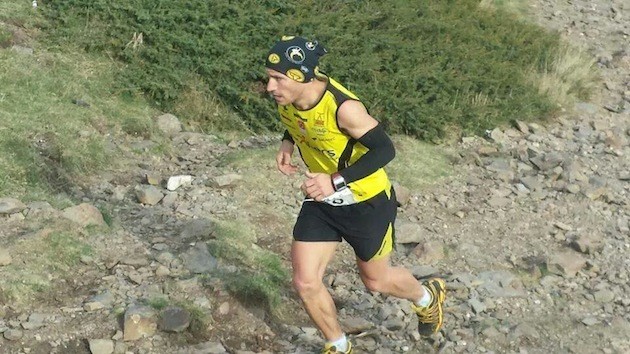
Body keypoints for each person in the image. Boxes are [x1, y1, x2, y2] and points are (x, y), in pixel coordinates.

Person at [265, 36, 446, 354]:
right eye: (269, 77)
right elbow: (300, 120)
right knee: (305, 281)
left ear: (301, 77)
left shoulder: (344, 108)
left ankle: (427, 297)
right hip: (322, 201)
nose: (269, 86)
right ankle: (338, 344)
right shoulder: (290, 98)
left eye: (277, 79)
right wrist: (288, 142)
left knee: (376, 281)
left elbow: (385, 149)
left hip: (367, 202)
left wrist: (334, 181)